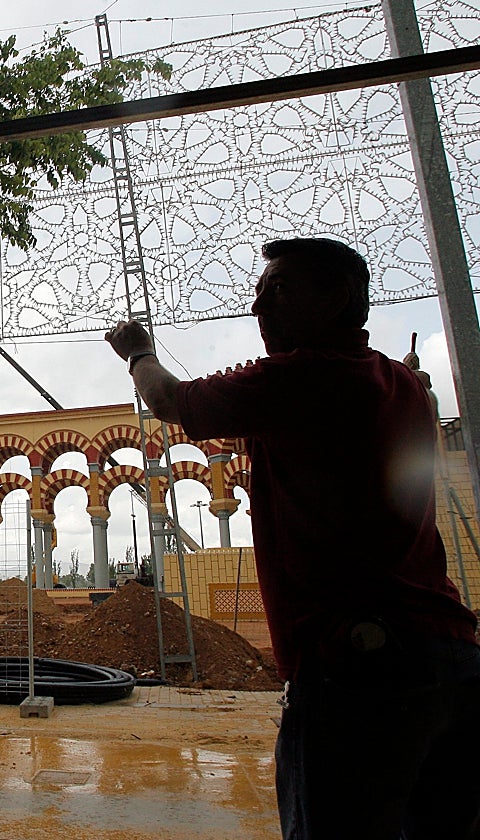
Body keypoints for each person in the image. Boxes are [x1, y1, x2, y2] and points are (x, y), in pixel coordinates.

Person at [105, 237, 480, 840]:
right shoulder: (402, 384)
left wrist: (138, 352)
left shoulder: (304, 377)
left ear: (339, 301)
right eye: (259, 294)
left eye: (277, 290)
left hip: (359, 665)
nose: (259, 309)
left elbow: (171, 400)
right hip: (448, 653)